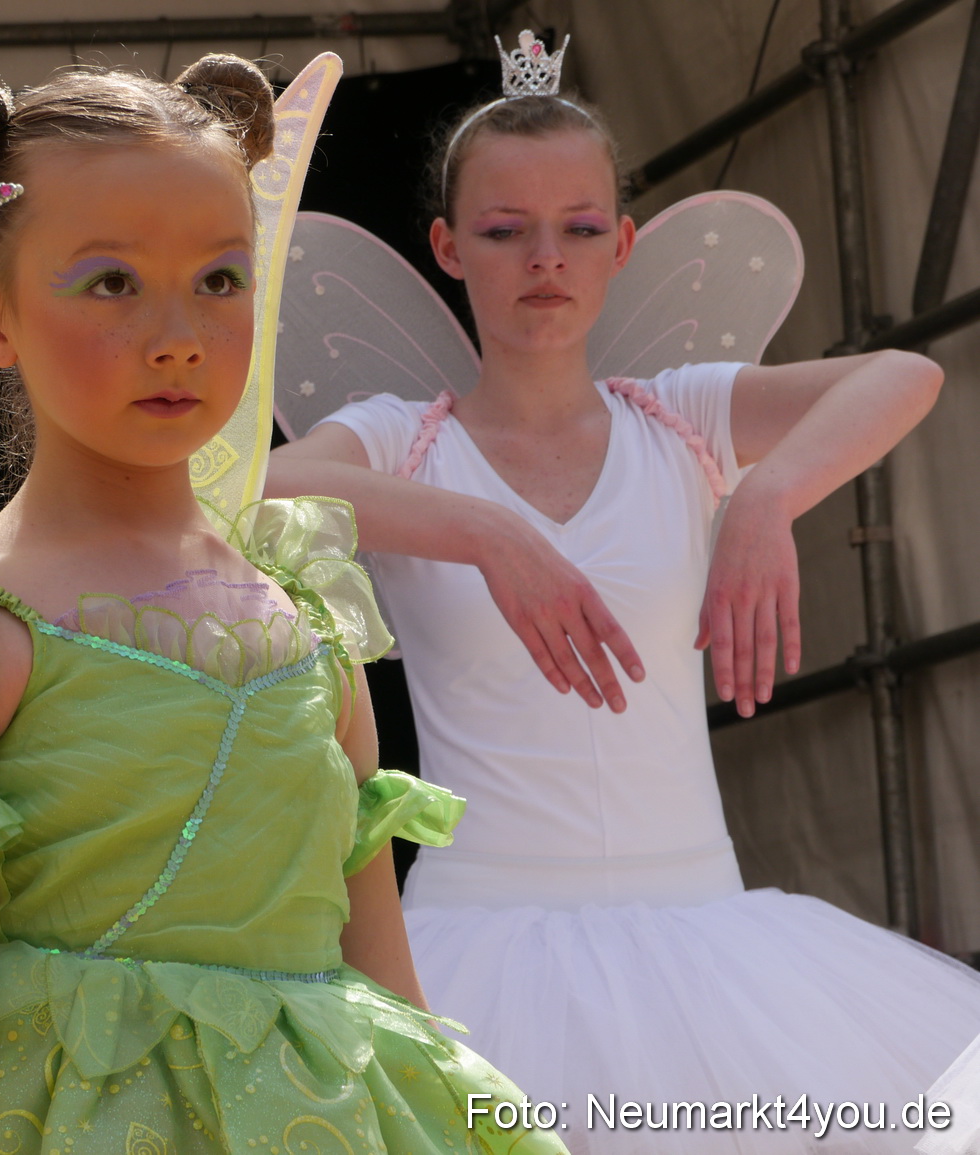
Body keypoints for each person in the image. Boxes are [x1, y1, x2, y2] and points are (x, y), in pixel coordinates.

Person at [0, 58, 570, 1155]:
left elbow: (386, 997)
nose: (177, 332)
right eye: (112, 283)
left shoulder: (309, 617)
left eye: (218, 280)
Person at [266, 68, 980, 1154]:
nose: (545, 259)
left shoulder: (685, 418)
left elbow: (901, 374)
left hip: (713, 941)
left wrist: (766, 494)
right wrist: (488, 532)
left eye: (579, 227)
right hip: (475, 948)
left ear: (623, 245)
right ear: (449, 249)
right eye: (505, 230)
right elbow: (245, 494)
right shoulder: (396, 438)